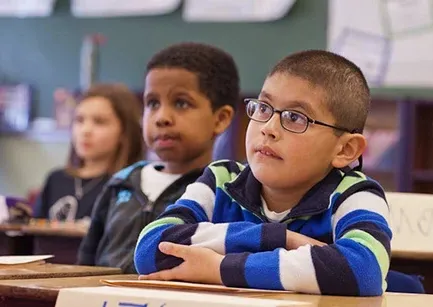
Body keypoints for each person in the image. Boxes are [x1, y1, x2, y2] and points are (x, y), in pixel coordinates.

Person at [134, 50, 392, 296]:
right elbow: (150, 248)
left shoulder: (354, 193)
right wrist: (281, 239)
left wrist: (220, 269)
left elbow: (363, 269)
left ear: (346, 149)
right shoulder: (221, 179)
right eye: (263, 108)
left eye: (294, 117)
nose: (268, 128)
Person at [77, 42, 240, 273]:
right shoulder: (121, 182)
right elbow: (86, 263)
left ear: (220, 119)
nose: (161, 117)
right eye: (152, 103)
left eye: (181, 103)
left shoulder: (227, 192)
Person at [33, 83, 144, 222]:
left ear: (124, 132)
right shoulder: (55, 180)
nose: (85, 130)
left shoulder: (126, 188)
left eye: (99, 122)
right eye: (79, 120)